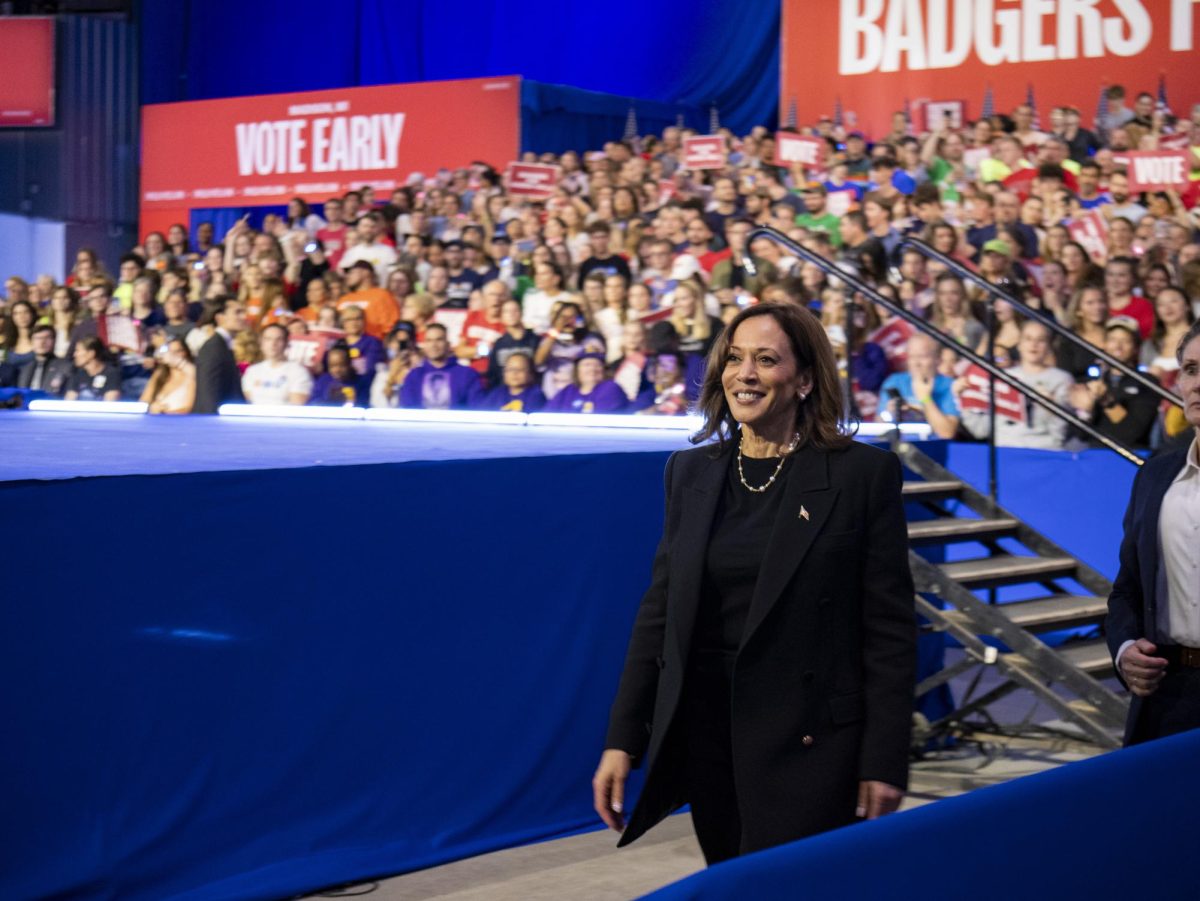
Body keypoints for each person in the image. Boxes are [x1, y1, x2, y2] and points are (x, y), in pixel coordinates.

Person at [593, 302, 915, 864]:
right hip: (711, 737)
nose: (745, 373)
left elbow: (887, 629)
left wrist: (883, 759)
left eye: (766, 360)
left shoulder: (861, 474)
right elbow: (661, 614)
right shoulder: (690, 471)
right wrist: (623, 738)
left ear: (806, 380)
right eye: (735, 358)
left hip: (813, 744)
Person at [1107, 318, 1200, 745]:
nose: (1197, 384)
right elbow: (1127, 589)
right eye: (1191, 370)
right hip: (1168, 694)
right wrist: (1125, 649)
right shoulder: (1155, 474)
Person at [956, 320, 1074, 449]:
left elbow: (1059, 436)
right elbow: (980, 430)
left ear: (1048, 346)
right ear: (1019, 344)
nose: (1033, 345)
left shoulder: (1062, 379)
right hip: (1004, 451)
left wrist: (1052, 408)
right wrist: (962, 399)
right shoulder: (1002, 377)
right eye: (1028, 339)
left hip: (1044, 451)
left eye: (1041, 340)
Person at [879, 333, 961, 439]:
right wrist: (890, 413)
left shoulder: (949, 385)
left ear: (937, 359)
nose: (916, 363)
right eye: (912, 356)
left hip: (934, 450)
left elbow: (947, 433)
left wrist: (925, 398)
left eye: (922, 356)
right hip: (898, 446)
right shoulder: (894, 382)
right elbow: (878, 426)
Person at [399, 322, 484, 410]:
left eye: (439, 340)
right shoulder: (414, 376)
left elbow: (475, 408)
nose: (433, 345)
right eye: (429, 340)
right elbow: (407, 408)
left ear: (448, 345)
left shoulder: (467, 374)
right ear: (424, 345)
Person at [193, 298, 247, 413]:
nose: (243, 317)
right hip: (212, 423)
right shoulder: (213, 348)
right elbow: (208, 390)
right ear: (220, 318)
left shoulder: (223, 345)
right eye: (237, 312)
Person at [241, 324, 313, 405]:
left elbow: (296, 407)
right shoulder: (252, 371)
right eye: (268, 339)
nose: (273, 343)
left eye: (278, 339)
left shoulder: (298, 372)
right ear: (261, 343)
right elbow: (247, 402)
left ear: (286, 343)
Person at [545, 353, 627, 413]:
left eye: (597, 365)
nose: (592, 369)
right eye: (587, 365)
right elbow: (547, 413)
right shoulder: (568, 391)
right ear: (577, 371)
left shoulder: (610, 388)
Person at [140, 337, 196, 414]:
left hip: (179, 423)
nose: (173, 355)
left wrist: (164, 412)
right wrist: (151, 408)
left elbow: (187, 409)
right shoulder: (159, 374)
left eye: (178, 351)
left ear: (186, 352)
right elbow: (144, 401)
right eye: (170, 352)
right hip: (154, 422)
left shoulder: (191, 376)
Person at [478, 351, 545, 412]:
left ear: (531, 374)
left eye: (520, 369)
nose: (515, 373)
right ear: (504, 373)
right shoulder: (497, 393)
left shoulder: (536, 395)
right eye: (510, 369)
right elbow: (483, 412)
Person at [17, 324, 73, 396]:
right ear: (31, 342)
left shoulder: (65, 367)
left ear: (54, 341)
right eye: (38, 338)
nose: (42, 342)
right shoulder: (25, 369)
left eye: (47, 338)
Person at [65, 336, 122, 401]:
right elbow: (69, 401)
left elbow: (110, 404)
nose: (74, 354)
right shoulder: (77, 373)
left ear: (91, 354)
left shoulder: (111, 373)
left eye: (77, 351)